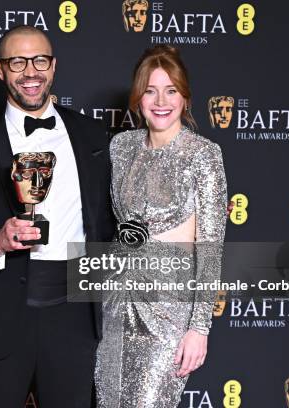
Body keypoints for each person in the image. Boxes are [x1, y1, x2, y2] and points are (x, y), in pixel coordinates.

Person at [0, 25, 115, 408]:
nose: (30, 71)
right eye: (17, 62)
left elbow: (115, 223)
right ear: (0, 70)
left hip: (75, 316)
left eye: (40, 60)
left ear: (53, 66)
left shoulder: (93, 137)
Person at [95, 45, 227, 407]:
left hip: (167, 309)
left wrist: (199, 329)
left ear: (185, 97)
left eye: (171, 90)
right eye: (150, 90)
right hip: (116, 302)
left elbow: (211, 247)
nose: (160, 101)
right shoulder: (121, 146)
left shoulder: (203, 155)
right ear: (138, 97)